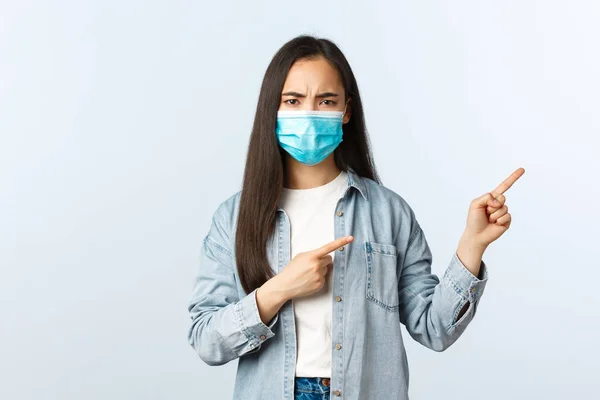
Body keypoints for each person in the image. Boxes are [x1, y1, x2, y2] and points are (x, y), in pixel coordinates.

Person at [187, 34, 524, 400]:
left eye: (325, 100)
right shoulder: (234, 217)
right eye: (293, 100)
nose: (310, 113)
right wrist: (280, 288)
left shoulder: (388, 212)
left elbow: (435, 329)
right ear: (273, 108)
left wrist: (472, 245)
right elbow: (207, 340)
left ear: (346, 110)